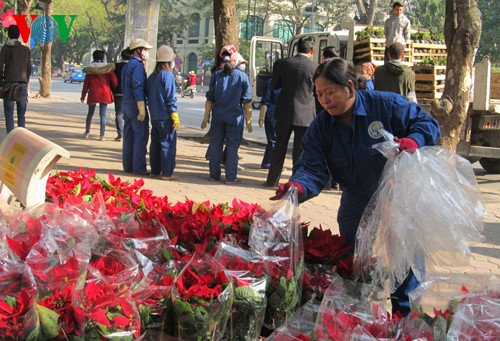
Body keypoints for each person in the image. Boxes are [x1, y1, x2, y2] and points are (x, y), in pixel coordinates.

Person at [270, 58, 441, 316]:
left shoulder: (385, 105)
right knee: (352, 260)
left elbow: (428, 124)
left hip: (398, 200)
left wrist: (414, 140)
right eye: (319, 94)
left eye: (330, 92)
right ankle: (358, 315)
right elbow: (313, 168)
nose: (325, 100)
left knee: (404, 264)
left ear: (350, 86)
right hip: (356, 201)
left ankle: (403, 319)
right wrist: (297, 187)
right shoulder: (321, 127)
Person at [263, 36, 317, 188]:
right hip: (306, 114)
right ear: (311, 51)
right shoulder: (315, 68)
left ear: (296, 49)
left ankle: (272, 180)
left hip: (284, 111)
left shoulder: (283, 63)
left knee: (279, 147)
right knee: (300, 151)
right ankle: (296, 182)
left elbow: (274, 85)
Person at [201, 45, 252, 184]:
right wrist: (249, 120)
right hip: (234, 118)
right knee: (232, 147)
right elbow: (247, 100)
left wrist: (206, 117)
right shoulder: (242, 77)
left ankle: (214, 175)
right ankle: (230, 177)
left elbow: (210, 98)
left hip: (218, 116)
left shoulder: (216, 75)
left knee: (216, 144)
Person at [146, 45, 180, 181]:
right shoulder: (167, 76)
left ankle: (155, 170)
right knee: (167, 144)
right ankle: (167, 173)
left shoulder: (152, 77)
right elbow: (170, 97)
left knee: (155, 144)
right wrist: (174, 114)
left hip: (154, 116)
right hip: (165, 116)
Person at [121, 38, 153, 176]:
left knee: (128, 136)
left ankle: (128, 166)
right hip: (135, 105)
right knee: (140, 136)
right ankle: (139, 167)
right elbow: (138, 86)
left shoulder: (128, 65)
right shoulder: (138, 66)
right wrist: (141, 108)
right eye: (145, 50)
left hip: (126, 104)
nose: (146, 52)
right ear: (138, 50)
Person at [81, 49, 118, 141]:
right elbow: (114, 81)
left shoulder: (89, 69)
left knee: (90, 113)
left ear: (93, 57)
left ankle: (87, 132)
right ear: (103, 57)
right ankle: (102, 135)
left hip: (93, 93)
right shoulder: (107, 68)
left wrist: (83, 96)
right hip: (104, 93)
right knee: (103, 115)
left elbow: (86, 85)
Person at [0, 24, 31, 133]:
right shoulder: (26, 50)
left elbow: (0, 67)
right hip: (22, 85)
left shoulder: (5, 49)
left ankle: (11, 138)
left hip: (8, 85)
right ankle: (22, 138)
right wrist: (26, 82)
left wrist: (1, 82)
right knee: (21, 115)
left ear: (8, 35)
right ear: (18, 36)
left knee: (9, 114)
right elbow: (29, 69)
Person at [258, 77, 281, 169]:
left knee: (273, 140)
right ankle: (275, 164)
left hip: (277, 115)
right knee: (273, 141)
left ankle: (267, 162)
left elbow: (265, 101)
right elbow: (265, 101)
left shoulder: (272, 81)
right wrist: (262, 116)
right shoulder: (272, 82)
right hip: (274, 115)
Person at [112, 48, 131, 142]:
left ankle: (120, 134)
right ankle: (127, 134)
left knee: (118, 113)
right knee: (129, 114)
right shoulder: (133, 66)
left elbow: (113, 79)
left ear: (121, 56)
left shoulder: (117, 66)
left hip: (118, 92)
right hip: (129, 93)